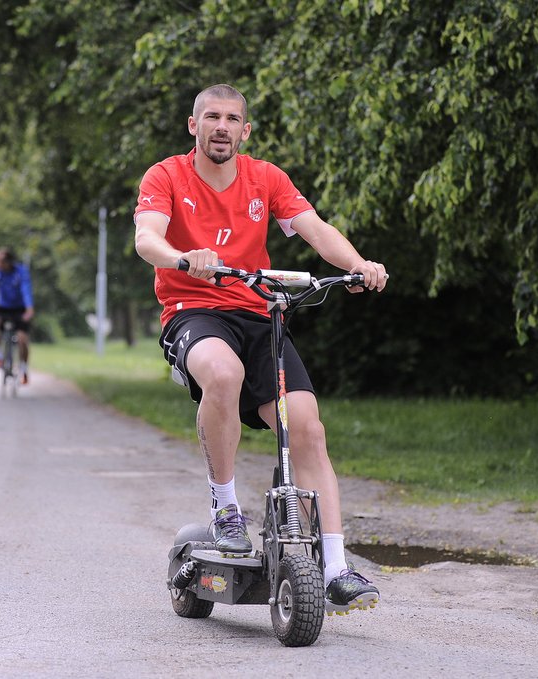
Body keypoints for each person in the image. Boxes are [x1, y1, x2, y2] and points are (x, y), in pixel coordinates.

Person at [133, 84, 390, 615]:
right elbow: (147, 239)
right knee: (221, 375)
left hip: (257, 312)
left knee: (307, 428)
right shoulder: (166, 176)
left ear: (244, 131)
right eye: (211, 117)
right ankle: (225, 508)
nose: (221, 126)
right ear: (194, 126)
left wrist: (358, 265)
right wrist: (184, 258)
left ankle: (336, 568)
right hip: (194, 311)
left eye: (232, 119)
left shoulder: (266, 178)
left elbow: (314, 230)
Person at [0, 247, 35, 384]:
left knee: (22, 339)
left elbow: (26, 290)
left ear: (8, 262)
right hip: (3, 308)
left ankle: (23, 368)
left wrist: (29, 309)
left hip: (20, 308)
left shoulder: (21, 272)